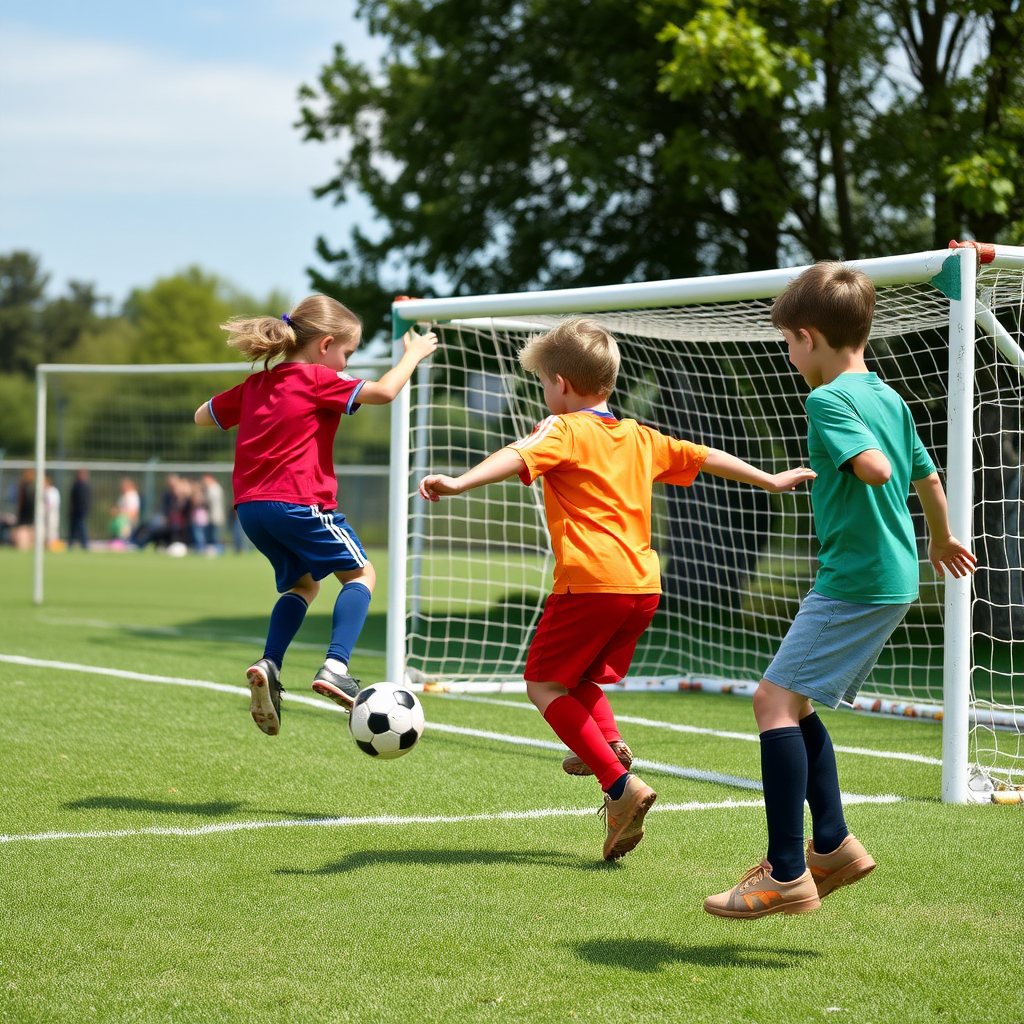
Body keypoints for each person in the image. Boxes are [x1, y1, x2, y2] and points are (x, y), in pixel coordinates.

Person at [419, 318, 815, 862]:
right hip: (642, 587)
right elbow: (702, 456)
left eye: (542, 383)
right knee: (579, 680)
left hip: (590, 582)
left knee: (542, 686)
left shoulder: (562, 429)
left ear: (559, 383)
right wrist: (768, 479)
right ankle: (609, 747)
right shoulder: (639, 436)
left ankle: (618, 783)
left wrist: (460, 481)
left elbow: (516, 455)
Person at [703, 262, 977, 919]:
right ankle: (833, 846)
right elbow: (929, 480)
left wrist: (867, 462)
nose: (791, 357)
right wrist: (940, 541)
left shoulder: (827, 401)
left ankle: (787, 874)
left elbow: (881, 468)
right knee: (794, 705)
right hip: (892, 576)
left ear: (809, 337)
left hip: (854, 579)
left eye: (788, 345)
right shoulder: (890, 397)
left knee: (771, 701)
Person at [195, 294, 437, 736]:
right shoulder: (317, 379)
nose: (346, 361)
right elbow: (384, 391)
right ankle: (334, 666)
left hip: (251, 510)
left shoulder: (256, 386)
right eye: (347, 352)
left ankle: (270, 663)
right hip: (299, 503)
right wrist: (414, 355)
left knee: (303, 585)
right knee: (362, 576)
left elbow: (201, 416)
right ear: (325, 345)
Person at [202, 473, 227, 552]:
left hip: (216, 516)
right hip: (212, 516)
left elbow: (209, 500)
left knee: (215, 535)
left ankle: (218, 550)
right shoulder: (212, 489)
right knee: (213, 534)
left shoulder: (214, 489)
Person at [12, 470, 35, 551]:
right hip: (25, 513)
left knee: (26, 529)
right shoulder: (25, 487)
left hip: (28, 512)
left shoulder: (30, 487)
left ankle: (25, 545)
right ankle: (23, 545)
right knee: (23, 529)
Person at [69, 469, 91, 550]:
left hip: (81, 511)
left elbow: (86, 500)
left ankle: (84, 544)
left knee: (81, 528)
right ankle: (71, 543)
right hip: (76, 510)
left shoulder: (84, 486)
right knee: (73, 528)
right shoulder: (76, 485)